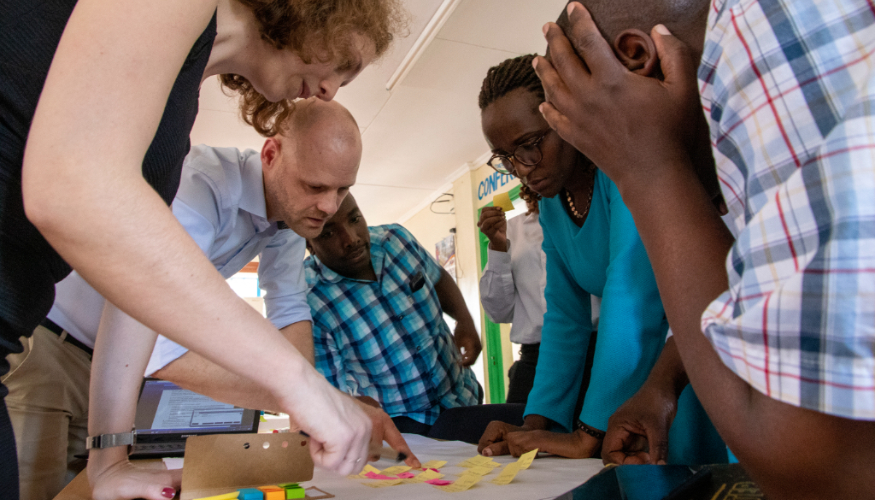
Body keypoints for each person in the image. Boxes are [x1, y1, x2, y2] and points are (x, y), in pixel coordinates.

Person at [1, 1, 405, 498]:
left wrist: (110, 459)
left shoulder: (177, 105)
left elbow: (135, 296)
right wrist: (300, 387)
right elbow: (70, 187)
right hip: (42, 342)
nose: (329, 90)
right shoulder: (200, 171)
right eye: (342, 64)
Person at [534, 1, 875, 498]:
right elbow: (754, 298)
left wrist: (645, 167)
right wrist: (662, 384)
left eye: (597, 147)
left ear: (635, 58)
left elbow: (822, 467)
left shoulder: (761, 31)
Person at [475, 54, 726, 465]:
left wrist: (588, 433)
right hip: (641, 381)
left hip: (690, 368)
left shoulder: (619, 174)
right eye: (505, 157)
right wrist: (535, 423)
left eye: (531, 145)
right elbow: (564, 318)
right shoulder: (553, 206)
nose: (522, 169)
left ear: (565, 116)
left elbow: (632, 295)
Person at [305, 194, 483, 436]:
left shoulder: (396, 240)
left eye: (355, 219)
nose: (351, 239)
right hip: (402, 427)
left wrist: (464, 320)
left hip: (462, 395)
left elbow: (437, 276)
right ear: (308, 244)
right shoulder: (310, 301)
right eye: (328, 233)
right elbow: (330, 395)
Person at [477, 187, 545, 404]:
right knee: (519, 432)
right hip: (536, 359)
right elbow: (498, 312)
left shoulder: (598, 219)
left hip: (598, 351)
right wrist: (498, 246)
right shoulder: (514, 231)